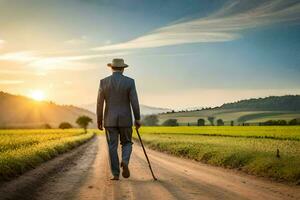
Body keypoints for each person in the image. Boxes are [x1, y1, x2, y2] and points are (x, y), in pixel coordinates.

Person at [97, 58, 141, 180]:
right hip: (125, 120)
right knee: (127, 143)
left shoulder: (103, 82)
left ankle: (116, 174)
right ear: (123, 68)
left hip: (109, 120)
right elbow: (134, 102)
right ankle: (125, 161)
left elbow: (100, 103)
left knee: (112, 146)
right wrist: (137, 118)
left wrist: (99, 120)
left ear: (111, 68)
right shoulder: (130, 82)